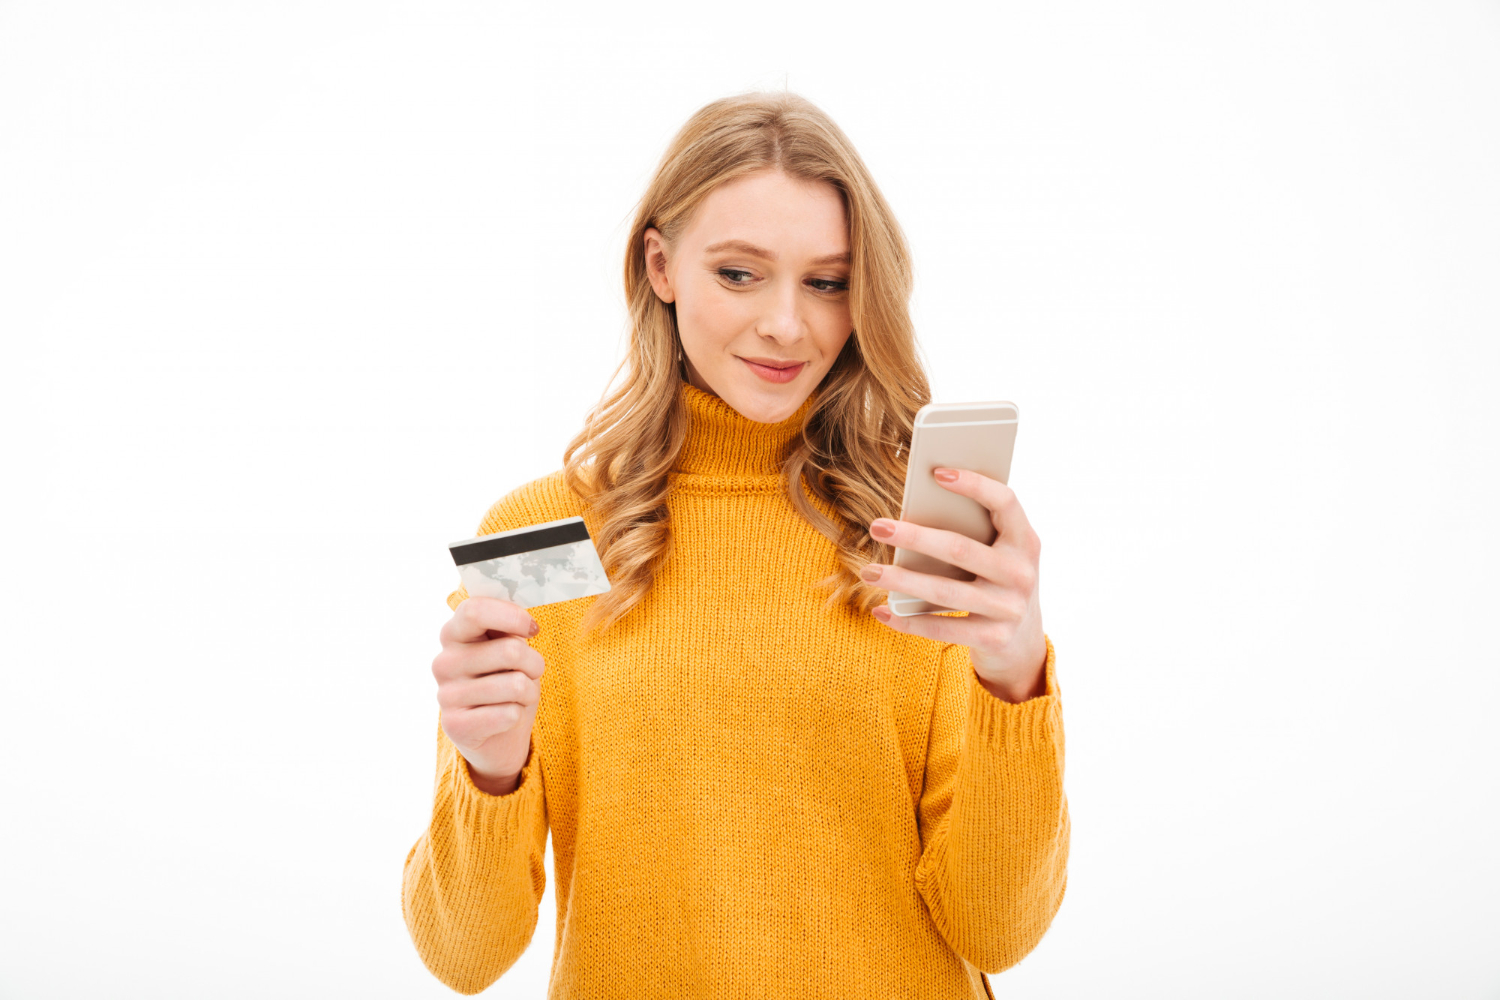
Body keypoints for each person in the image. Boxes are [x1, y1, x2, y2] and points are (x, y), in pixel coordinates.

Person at [402, 91, 1068, 999]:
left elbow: (997, 927)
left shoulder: (917, 534)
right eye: (740, 274)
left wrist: (1015, 675)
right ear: (661, 265)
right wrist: (488, 769)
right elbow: (463, 957)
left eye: (828, 282)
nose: (788, 326)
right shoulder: (541, 541)